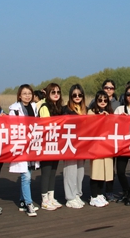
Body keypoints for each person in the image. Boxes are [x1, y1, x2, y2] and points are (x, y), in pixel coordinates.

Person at [8, 84, 39, 216]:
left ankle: (22, 201)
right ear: (19, 95)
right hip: (21, 145)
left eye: (29, 93)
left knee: (28, 173)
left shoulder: (34, 107)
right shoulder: (14, 110)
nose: (27, 96)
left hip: (32, 145)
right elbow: (12, 128)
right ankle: (29, 203)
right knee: (26, 176)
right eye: (24, 93)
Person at [38, 82, 64, 210]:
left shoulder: (58, 107)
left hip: (56, 143)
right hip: (46, 144)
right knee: (46, 172)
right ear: (48, 93)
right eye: (53, 92)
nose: (56, 94)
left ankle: (51, 197)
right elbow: (46, 125)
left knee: (53, 171)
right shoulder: (44, 106)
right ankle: (44, 200)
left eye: (58, 92)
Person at [62, 84, 87, 209]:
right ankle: (70, 197)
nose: (77, 97)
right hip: (70, 144)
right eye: (74, 95)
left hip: (82, 145)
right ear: (71, 96)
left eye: (80, 95)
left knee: (80, 171)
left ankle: (77, 193)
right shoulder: (65, 109)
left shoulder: (85, 110)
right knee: (70, 170)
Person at [87, 91, 113, 207]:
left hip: (107, 147)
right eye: (100, 100)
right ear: (96, 100)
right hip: (96, 147)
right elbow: (90, 126)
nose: (103, 102)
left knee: (104, 172)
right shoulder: (91, 112)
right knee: (95, 172)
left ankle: (99, 194)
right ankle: (93, 196)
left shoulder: (110, 112)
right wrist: (100, 118)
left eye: (105, 100)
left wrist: (109, 118)